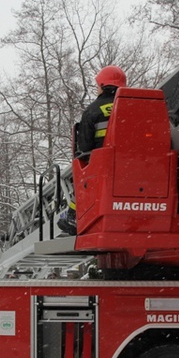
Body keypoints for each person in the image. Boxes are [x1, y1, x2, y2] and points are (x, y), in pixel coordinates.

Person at [59, 65, 127, 236]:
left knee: (82, 175)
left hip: (104, 170)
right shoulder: (136, 106)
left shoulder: (93, 111)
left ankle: (73, 216)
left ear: (103, 86)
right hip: (135, 170)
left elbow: (84, 147)